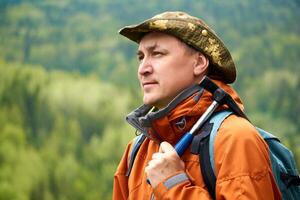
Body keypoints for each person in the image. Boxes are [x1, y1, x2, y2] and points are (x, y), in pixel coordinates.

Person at [113, 11, 281, 199]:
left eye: (157, 54)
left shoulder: (236, 139)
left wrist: (172, 185)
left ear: (199, 63)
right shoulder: (136, 152)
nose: (143, 69)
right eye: (141, 57)